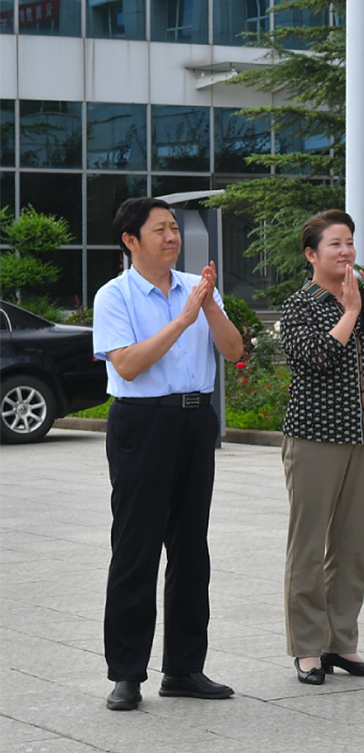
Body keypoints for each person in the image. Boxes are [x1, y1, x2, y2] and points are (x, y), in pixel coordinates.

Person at [91, 197, 245, 711]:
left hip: (195, 419)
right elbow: (129, 365)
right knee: (136, 547)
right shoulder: (114, 296)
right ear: (131, 240)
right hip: (142, 422)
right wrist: (182, 320)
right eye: (160, 230)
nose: (172, 237)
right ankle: (127, 673)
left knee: (190, 547)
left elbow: (234, 350)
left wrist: (208, 305)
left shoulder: (196, 290)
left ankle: (184, 668)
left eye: (174, 228)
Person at [278, 210, 364, 685]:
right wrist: (350, 313)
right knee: (309, 545)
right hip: (314, 437)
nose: (346, 252)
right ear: (312, 254)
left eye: (350, 242)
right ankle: (308, 648)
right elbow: (315, 358)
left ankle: (342, 643)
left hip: (363, 437)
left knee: (352, 546)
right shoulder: (300, 305)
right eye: (335, 244)